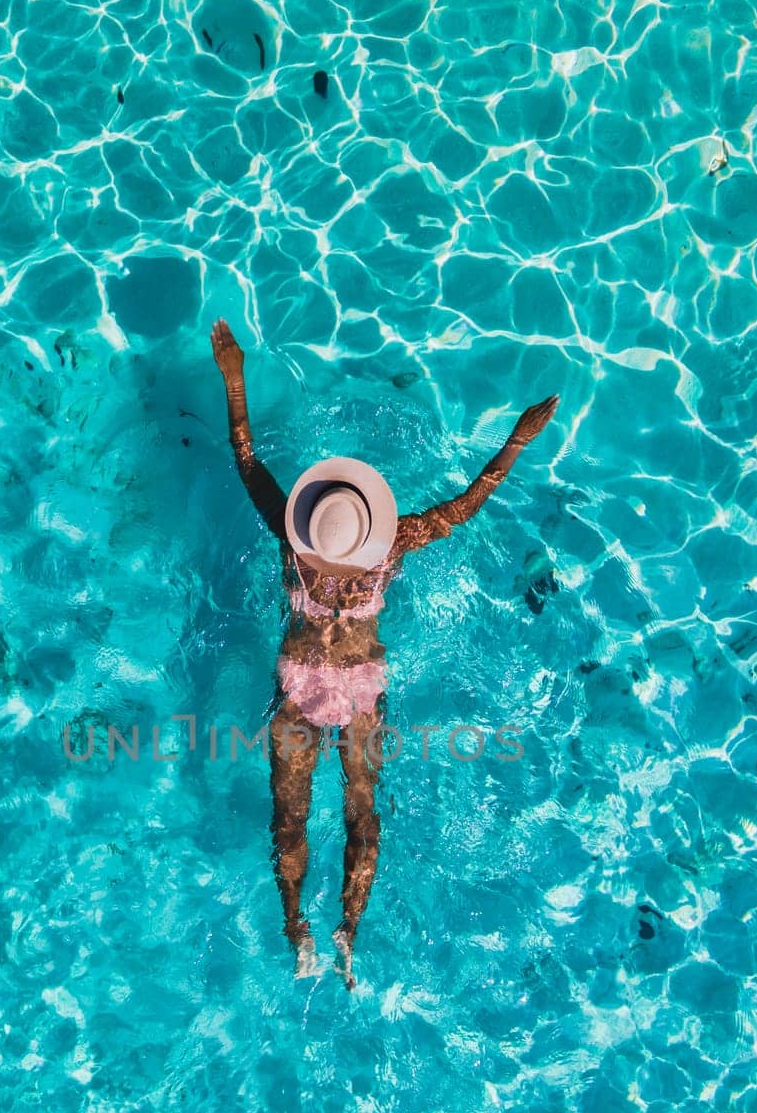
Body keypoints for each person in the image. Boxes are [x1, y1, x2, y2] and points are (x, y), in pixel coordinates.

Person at [210, 317, 559, 989]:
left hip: (297, 683)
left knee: (289, 814)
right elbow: (465, 506)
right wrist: (516, 439)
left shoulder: (291, 540)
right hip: (363, 689)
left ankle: (296, 928)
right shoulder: (395, 540)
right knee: (361, 811)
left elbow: (247, 460)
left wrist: (233, 376)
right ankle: (348, 930)